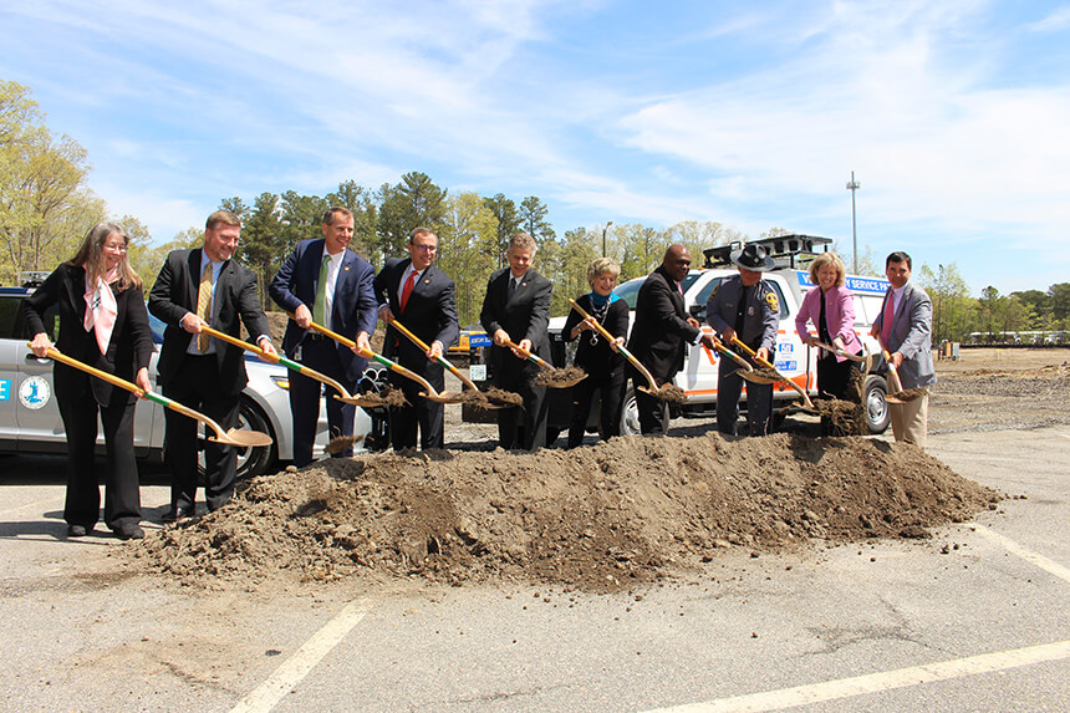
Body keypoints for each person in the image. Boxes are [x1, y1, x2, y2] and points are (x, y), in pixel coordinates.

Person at [25, 224, 154, 540]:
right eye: (112, 246)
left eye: (122, 247)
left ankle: (124, 518)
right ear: (95, 246)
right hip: (74, 372)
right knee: (80, 445)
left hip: (118, 374)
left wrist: (141, 369)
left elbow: (140, 332)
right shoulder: (67, 276)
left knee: (121, 447)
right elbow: (32, 306)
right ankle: (80, 516)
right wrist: (40, 334)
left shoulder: (129, 285)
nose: (118, 253)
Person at [149, 210, 277, 521]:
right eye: (225, 238)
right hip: (181, 366)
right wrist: (183, 316)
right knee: (179, 438)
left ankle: (220, 502)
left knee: (222, 438)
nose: (231, 244)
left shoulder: (243, 276)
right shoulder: (178, 262)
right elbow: (156, 300)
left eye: (235, 239)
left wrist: (263, 339)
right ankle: (182, 502)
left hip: (221, 369)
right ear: (208, 234)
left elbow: (252, 313)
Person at [269, 207, 377, 466]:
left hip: (342, 353)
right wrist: (297, 306)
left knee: (342, 421)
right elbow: (278, 286)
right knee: (304, 416)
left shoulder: (361, 268)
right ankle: (302, 473)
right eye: (340, 229)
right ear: (325, 228)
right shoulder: (304, 251)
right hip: (306, 347)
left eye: (350, 230)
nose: (346, 235)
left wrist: (363, 334)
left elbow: (369, 306)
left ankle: (341, 474)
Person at [373, 227, 459, 450]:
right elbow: (372, 288)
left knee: (430, 421)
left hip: (426, 362)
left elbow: (451, 323)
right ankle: (402, 466)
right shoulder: (394, 267)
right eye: (422, 247)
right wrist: (382, 305)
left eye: (432, 248)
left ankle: (433, 466)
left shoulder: (442, 283)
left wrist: (440, 344)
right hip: (396, 358)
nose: (427, 252)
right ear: (410, 247)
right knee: (400, 417)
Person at [627, 244, 718, 435]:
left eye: (687, 264)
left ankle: (658, 449)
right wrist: (700, 336)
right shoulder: (656, 284)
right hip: (650, 361)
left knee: (659, 411)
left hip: (663, 363)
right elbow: (667, 318)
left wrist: (686, 318)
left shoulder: (671, 282)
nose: (684, 267)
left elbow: (672, 311)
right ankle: (653, 453)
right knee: (653, 413)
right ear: (666, 262)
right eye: (680, 263)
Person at [479, 233, 552, 450]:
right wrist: (496, 330)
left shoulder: (541, 284)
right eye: (517, 257)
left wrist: (528, 341)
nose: (521, 263)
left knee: (535, 414)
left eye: (526, 259)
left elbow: (540, 317)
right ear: (508, 255)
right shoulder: (496, 280)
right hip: (504, 359)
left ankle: (535, 458)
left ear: (532, 259)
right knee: (507, 411)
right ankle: (506, 455)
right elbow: (487, 314)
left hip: (532, 359)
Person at [706, 242, 781, 436]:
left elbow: (771, 324)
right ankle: (726, 440)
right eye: (749, 271)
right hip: (731, 353)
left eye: (757, 272)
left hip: (757, 354)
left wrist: (765, 347)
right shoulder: (724, 286)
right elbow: (711, 313)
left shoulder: (767, 293)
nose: (753, 275)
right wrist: (724, 329)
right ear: (740, 268)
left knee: (759, 405)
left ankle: (760, 442)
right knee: (727, 402)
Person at [871, 251, 936, 449]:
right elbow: (891, 314)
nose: (897, 275)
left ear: (910, 271)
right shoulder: (890, 292)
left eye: (902, 271)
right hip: (893, 367)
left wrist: (902, 353)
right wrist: (878, 322)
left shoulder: (918, 297)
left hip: (913, 369)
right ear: (886, 270)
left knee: (912, 426)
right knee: (898, 424)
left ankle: (916, 466)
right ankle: (903, 465)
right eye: (892, 270)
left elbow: (921, 329)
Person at [562, 257, 629, 448]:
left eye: (612, 279)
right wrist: (580, 327)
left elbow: (622, 333)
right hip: (585, 368)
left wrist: (619, 342)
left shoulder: (620, 305)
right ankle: (572, 453)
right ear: (593, 279)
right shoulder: (581, 303)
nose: (608, 283)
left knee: (611, 417)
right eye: (603, 279)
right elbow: (568, 335)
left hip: (612, 370)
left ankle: (612, 455)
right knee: (578, 415)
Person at [794, 252, 864, 400]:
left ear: (837, 275)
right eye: (824, 272)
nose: (827, 277)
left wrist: (840, 337)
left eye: (832, 273)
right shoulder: (811, 295)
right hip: (825, 354)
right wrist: (805, 336)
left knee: (846, 400)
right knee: (825, 398)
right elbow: (800, 320)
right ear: (816, 272)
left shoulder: (843, 294)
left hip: (847, 356)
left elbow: (848, 317)